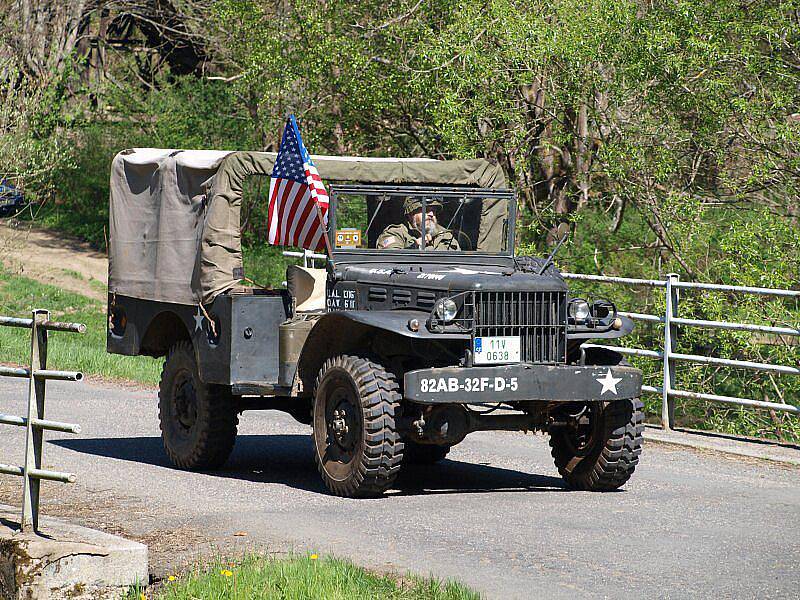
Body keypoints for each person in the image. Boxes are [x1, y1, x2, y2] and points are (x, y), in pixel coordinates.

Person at [377, 197, 460, 250]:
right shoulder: (396, 233)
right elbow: (390, 262)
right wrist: (414, 248)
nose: (431, 214)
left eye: (434, 211)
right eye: (426, 210)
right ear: (411, 214)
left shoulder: (446, 236)